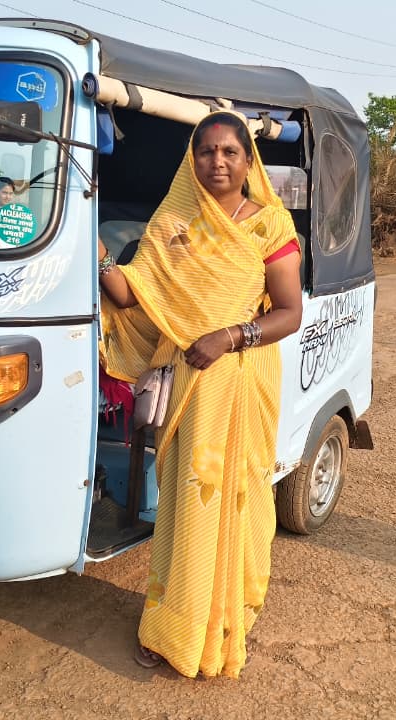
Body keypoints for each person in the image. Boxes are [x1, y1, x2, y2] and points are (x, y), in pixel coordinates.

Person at [96, 111, 303, 679]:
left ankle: (223, 624)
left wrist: (230, 336)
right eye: (207, 151)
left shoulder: (269, 225)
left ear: (247, 161)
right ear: (193, 158)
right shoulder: (175, 222)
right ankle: (176, 627)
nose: (217, 162)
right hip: (191, 379)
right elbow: (132, 295)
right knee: (186, 501)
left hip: (239, 377)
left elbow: (290, 313)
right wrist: (98, 254)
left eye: (229, 152)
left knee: (230, 500)